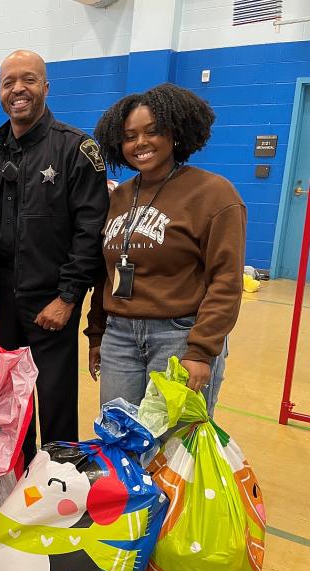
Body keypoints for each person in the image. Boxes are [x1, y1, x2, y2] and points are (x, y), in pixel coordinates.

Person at [0, 50, 109, 462]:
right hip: (3, 298)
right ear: (0, 92)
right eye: (8, 81)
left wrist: (68, 297)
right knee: (11, 399)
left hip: (51, 299)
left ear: (46, 87)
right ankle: (19, 475)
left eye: (28, 79)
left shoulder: (76, 149)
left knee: (55, 400)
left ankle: (59, 483)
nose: (18, 89)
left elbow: (91, 232)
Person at [86, 83, 246, 413]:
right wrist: (98, 333)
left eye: (153, 131)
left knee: (172, 451)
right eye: (130, 136)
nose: (140, 143)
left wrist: (201, 351)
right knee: (119, 443)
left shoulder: (214, 194)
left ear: (175, 133)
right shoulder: (118, 197)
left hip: (178, 337)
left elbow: (226, 282)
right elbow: (106, 273)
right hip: (120, 335)